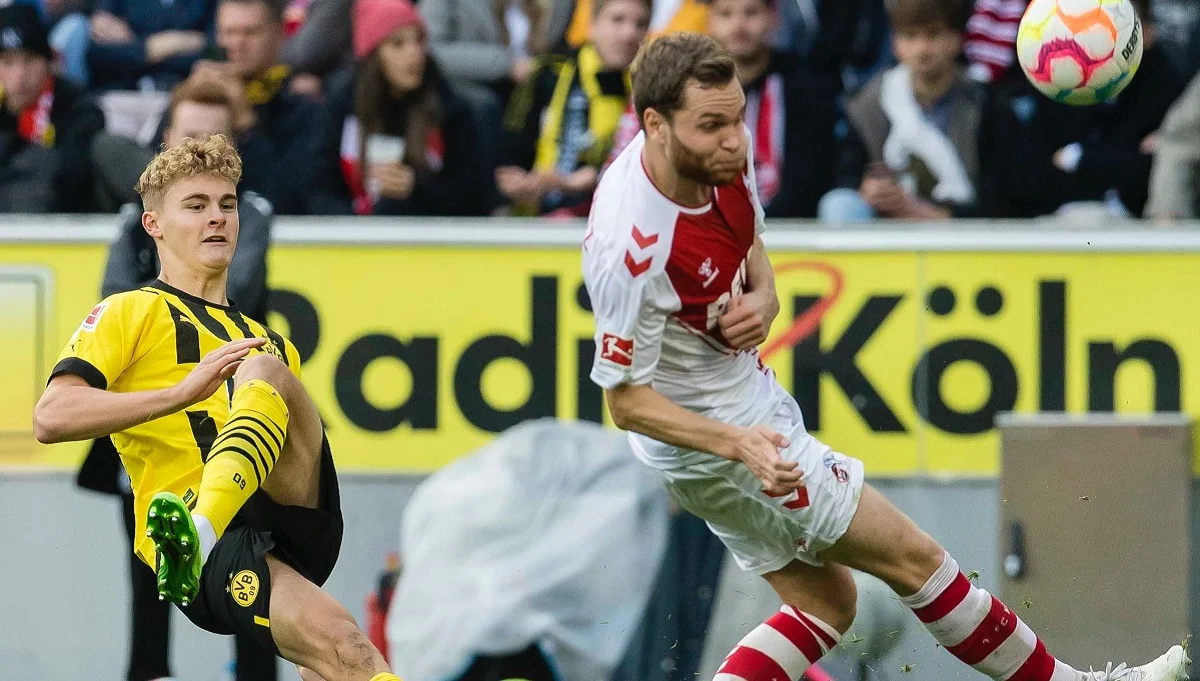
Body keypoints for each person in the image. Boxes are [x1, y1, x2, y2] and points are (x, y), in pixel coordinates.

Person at [582, 32, 1189, 681]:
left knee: (828, 605)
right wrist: (739, 445)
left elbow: (748, 234)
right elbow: (626, 403)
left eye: (738, 117)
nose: (735, 139)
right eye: (712, 126)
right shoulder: (630, 248)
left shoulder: (718, 151)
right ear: (655, 125)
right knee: (914, 558)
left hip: (740, 414)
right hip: (723, 439)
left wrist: (765, 294)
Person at [34, 135, 401, 681]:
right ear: (154, 224)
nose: (217, 218)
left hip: (287, 512)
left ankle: (200, 533)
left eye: (227, 205)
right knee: (347, 647)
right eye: (196, 205)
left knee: (270, 367)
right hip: (215, 545)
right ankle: (199, 533)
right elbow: (50, 417)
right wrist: (179, 394)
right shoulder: (128, 311)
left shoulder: (268, 341)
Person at [319, 0, 496, 216]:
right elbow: (318, 187)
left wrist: (417, 187)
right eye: (397, 43)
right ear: (373, 55)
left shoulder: (450, 108)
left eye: (419, 40)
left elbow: (473, 196)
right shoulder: (340, 105)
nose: (414, 52)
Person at [497, 0, 649, 217]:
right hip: (532, 221)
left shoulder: (650, 92)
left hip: (605, 220)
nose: (629, 34)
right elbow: (510, 151)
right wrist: (518, 181)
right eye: (617, 20)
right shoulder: (548, 73)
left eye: (640, 24)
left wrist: (585, 182)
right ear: (592, 25)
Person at [0, 3, 104, 213]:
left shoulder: (78, 106)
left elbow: (73, 178)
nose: (20, 75)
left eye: (29, 60)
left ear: (48, 62)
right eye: (8, 62)